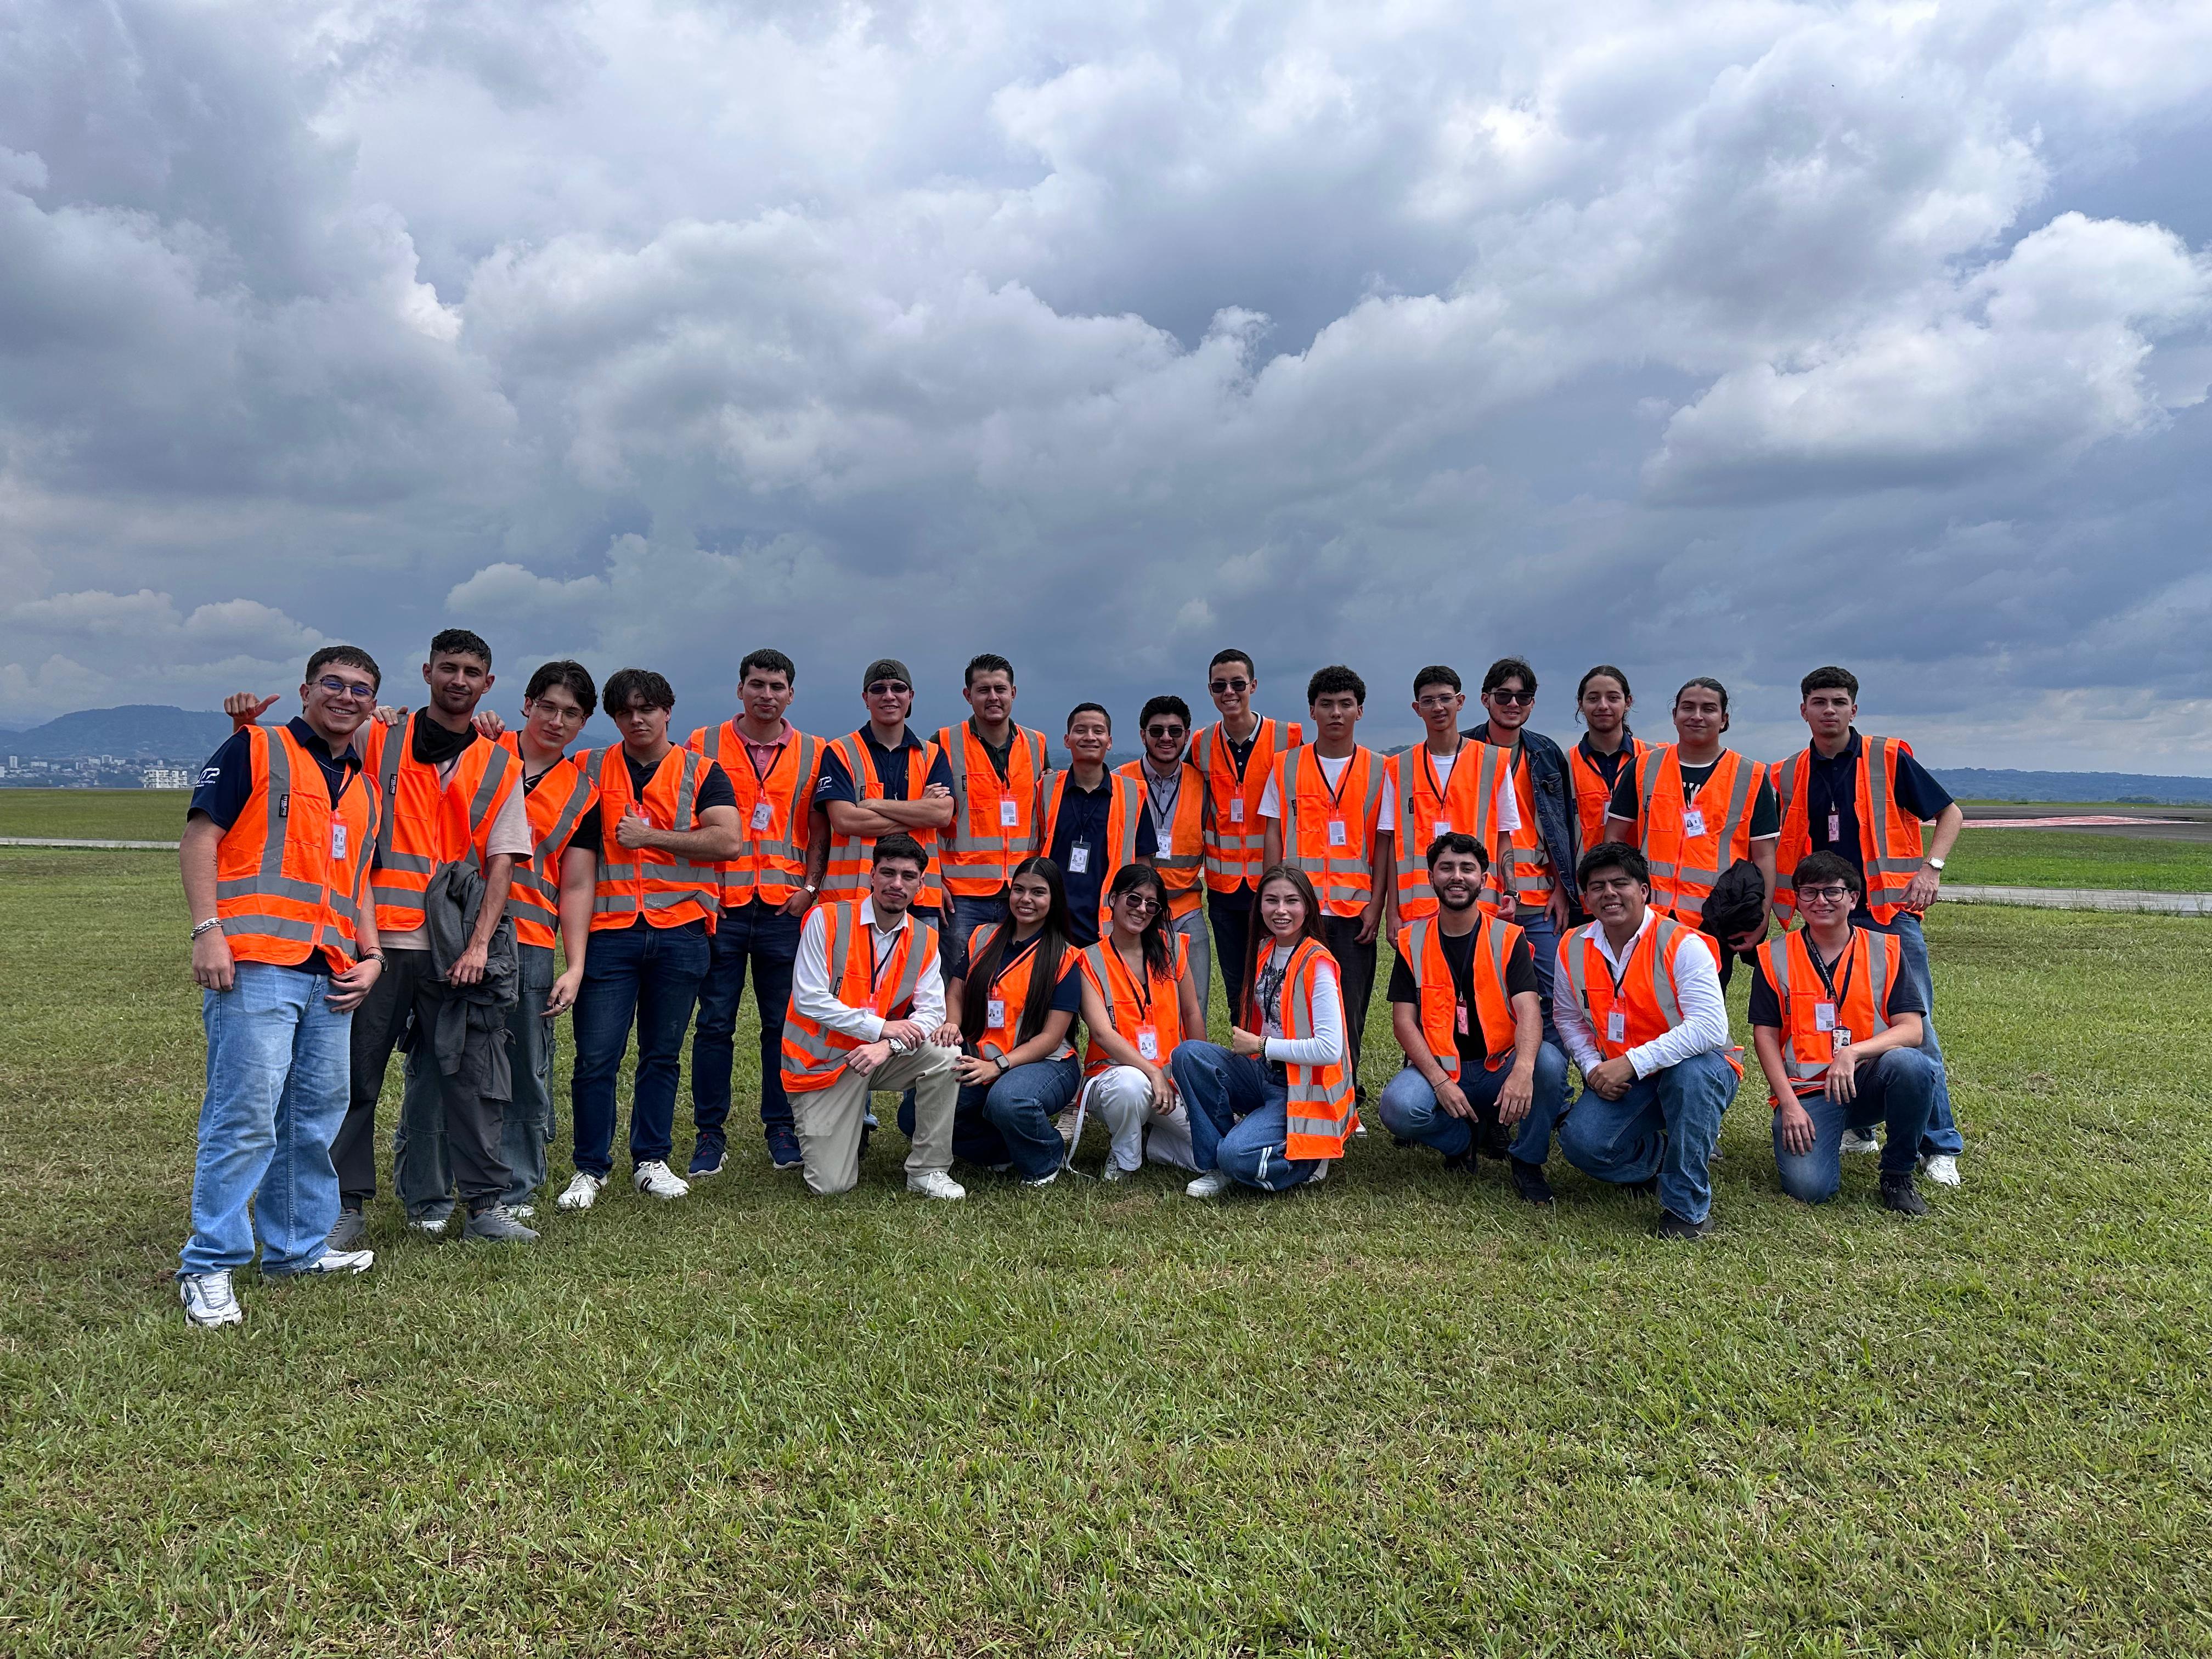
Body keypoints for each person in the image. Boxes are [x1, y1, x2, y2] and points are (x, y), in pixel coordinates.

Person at [176, 647, 386, 1326]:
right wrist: (208, 930)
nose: (346, 697)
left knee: (313, 1119)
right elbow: (200, 840)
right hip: (257, 964)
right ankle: (209, 1264)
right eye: (334, 683)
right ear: (306, 690)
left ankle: (296, 1246)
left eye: (360, 689)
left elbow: (357, 885)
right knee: (245, 1118)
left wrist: (373, 954)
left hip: (331, 971)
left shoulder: (363, 785)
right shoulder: (255, 749)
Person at [332, 629, 532, 1246]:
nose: (460, 680)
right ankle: (346, 1207)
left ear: (488, 684)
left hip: (455, 954)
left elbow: (502, 862)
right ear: (426, 672)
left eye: (473, 671)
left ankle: (484, 1209)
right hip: (378, 946)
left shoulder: (502, 761)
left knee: (471, 1080)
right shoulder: (378, 736)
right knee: (354, 1080)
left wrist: (478, 946)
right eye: (449, 668)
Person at [1773, 666, 1968, 1186]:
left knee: (1912, 1030)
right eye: (1819, 702)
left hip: (1886, 916)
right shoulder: (1790, 772)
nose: (1829, 710)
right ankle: (1858, 1126)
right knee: (1832, 1018)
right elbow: (1772, 839)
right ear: (1804, 710)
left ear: (1854, 710)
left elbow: (1950, 813)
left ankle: (1938, 1144)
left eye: (1839, 701)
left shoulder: (1887, 758)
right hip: (1823, 914)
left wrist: (1932, 868)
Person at [558, 669, 741, 1210]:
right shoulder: (588, 767)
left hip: (681, 932)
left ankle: (651, 1160)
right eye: (624, 712)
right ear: (612, 718)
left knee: (662, 1055)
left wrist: (649, 838)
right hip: (609, 935)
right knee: (595, 1057)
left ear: (668, 711)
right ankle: (589, 1168)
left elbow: (728, 840)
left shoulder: (702, 772)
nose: (636, 720)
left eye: (647, 709)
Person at [685, 648, 828, 1176]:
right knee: (715, 1023)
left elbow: (821, 829)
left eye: (777, 686)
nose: (766, 695)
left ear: (791, 694)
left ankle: (781, 1129)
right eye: (757, 684)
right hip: (721, 904)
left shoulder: (816, 752)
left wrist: (810, 888)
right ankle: (709, 1135)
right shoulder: (703, 743)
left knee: (781, 1024)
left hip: (784, 908)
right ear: (740, 689)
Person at [1554, 844, 1742, 1240]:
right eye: (1597, 886)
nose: (1609, 893)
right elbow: (1568, 1018)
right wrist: (1591, 1068)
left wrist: (1631, 1063)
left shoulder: (1684, 943)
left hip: (1699, 1068)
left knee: (1691, 1075)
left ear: (1644, 891)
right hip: (1627, 1077)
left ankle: (1687, 1208)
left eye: (1621, 883)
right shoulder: (1572, 945)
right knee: (1581, 1143)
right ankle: (1667, 1159)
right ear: (1585, 898)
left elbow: (1709, 1027)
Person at [471, 661, 600, 1217]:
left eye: (571, 713)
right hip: (460, 930)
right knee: (444, 1060)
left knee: (527, 1064)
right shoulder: (481, 749)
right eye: (547, 706)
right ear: (527, 704)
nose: (556, 720)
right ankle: (440, 1182)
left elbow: (575, 884)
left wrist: (574, 965)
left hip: (528, 939)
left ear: (585, 721)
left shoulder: (583, 792)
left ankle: (517, 1184)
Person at [1375, 834, 1568, 1205]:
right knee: (1398, 1107)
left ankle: (1527, 1160)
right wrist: (1439, 1081)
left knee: (1549, 1062)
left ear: (1484, 878)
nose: (1456, 877)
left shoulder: (1508, 937)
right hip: (1445, 1070)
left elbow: (1529, 1009)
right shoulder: (1412, 940)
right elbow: (1403, 1022)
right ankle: (1461, 1141)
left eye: (1467, 869)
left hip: (1500, 1067)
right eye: (1446, 868)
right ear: (1431, 877)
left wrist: (1523, 1070)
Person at [1750, 852, 1939, 1216]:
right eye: (1809, 893)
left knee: (1912, 1065)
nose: (1821, 901)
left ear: (1853, 899)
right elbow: (1765, 1035)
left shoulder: (1885, 949)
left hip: (1866, 1080)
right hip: (1808, 1094)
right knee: (1810, 1189)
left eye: (1833, 892)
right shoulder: (1774, 955)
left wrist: (1852, 1054)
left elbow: (1913, 1030)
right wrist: (1788, 1105)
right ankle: (1826, 1131)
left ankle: (1897, 1174)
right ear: (1798, 900)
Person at [780, 834, 967, 1199]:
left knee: (948, 1058)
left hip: (877, 1056)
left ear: (920, 884)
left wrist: (889, 1045)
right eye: (888, 872)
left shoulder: (925, 939)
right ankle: (833, 1124)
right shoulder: (826, 919)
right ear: (872, 875)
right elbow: (808, 999)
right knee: (831, 1186)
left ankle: (928, 1170)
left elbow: (933, 1012)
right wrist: (880, 1028)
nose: (897, 884)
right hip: (820, 1066)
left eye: (908, 876)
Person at [1169, 865, 1355, 1197]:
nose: (1280, 910)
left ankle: (1310, 1157)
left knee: (1237, 1157)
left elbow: (1330, 1049)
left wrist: (1262, 1044)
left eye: (1291, 901)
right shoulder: (1266, 948)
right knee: (1188, 1055)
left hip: (1301, 1087)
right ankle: (1217, 1163)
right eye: (1271, 901)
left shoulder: (1319, 963)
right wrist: (1262, 1051)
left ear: (1308, 907)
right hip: (1264, 1073)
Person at [1260, 665, 1386, 1088]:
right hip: (1299, 909)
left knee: (1350, 1004)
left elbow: (1383, 844)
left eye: (1345, 705)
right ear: (1312, 711)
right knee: (1293, 1000)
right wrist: (1274, 901)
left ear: (1360, 711)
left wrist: (1377, 904)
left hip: (1353, 908)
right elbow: (1274, 833)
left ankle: (1346, 1092)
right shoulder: (1285, 766)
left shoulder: (1379, 769)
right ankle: (1293, 1085)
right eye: (1327, 705)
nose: (1336, 713)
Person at [1604, 676, 1779, 975]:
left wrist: (1761, 919)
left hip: (1715, 920)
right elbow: (1614, 840)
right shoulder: (1644, 766)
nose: (1697, 716)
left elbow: (1764, 856)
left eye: (1708, 709)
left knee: (1704, 1016)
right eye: (1688, 707)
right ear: (1675, 716)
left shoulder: (1751, 775)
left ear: (1724, 720)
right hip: (1647, 918)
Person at [937, 857, 1086, 1186]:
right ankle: (1005, 1150)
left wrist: (999, 1067)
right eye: (1019, 890)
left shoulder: (1065, 956)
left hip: (1046, 1062)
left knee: (1007, 1101)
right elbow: (957, 990)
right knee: (916, 1115)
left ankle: (1046, 1158)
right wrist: (952, 1023)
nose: (1026, 900)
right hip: (982, 1057)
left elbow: (1050, 1037)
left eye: (1038, 892)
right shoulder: (983, 936)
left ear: (1054, 899)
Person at [1465, 657, 1580, 1042]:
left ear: (1532, 703)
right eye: (1504, 695)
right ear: (1485, 699)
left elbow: (1564, 827)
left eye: (1523, 697)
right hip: (1481, 898)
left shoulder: (1547, 754)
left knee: (1551, 997)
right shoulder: (1465, 750)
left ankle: (1549, 1093)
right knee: (1479, 993)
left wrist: (1563, 890)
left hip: (1540, 900)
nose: (1513, 704)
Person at [1189, 650, 1304, 1019]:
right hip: (1224, 891)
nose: (1230, 692)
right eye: (1220, 686)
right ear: (1210, 690)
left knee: (1280, 978)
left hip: (1274, 886)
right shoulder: (1201, 744)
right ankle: (1245, 1055)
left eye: (1238, 684)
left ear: (1253, 686)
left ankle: (1280, 1057)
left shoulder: (1289, 738)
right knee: (1237, 983)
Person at [1075, 864, 1207, 1179]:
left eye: (1152, 904)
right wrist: (1151, 1072)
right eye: (1134, 899)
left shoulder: (1171, 948)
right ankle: (1125, 1158)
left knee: (1211, 1153)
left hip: (1170, 1080)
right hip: (1113, 1076)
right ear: (1113, 899)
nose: (1142, 909)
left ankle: (1157, 1146)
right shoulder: (1088, 959)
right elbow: (1102, 1034)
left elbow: (1192, 1013)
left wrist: (1200, 1076)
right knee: (1132, 1087)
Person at [816, 658, 957, 922]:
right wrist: (918, 811)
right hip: (854, 898)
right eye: (878, 689)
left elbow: (940, 816)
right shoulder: (840, 751)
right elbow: (845, 820)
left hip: (920, 897)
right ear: (865, 698)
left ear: (911, 696)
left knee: (917, 964)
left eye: (898, 688)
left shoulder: (933, 755)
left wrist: (872, 804)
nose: (889, 696)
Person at [1382, 665, 1520, 927]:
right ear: (1416, 708)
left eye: (1445, 698)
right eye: (1428, 701)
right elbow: (1391, 847)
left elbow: (1504, 836)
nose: (1438, 707)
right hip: (1418, 911)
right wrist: (1391, 912)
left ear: (1460, 702)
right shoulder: (1398, 768)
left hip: (1478, 905)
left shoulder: (1493, 762)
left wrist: (1511, 891)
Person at [934, 653, 1051, 950]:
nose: (993, 697)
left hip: (1023, 891)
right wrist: (932, 879)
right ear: (968, 695)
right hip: (962, 894)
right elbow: (925, 819)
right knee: (961, 979)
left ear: (1013, 692)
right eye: (983, 690)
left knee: (1016, 980)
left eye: (1000, 689)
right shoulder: (943, 743)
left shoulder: (1037, 745)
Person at [1039, 702, 1155, 946]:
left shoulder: (1133, 794)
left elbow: (1144, 866)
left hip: (1109, 929)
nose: (1090, 737)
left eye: (1098, 731)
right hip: (1050, 927)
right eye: (1081, 730)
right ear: (1067, 740)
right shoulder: (1044, 790)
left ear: (1109, 741)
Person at [1123, 695, 1211, 1006]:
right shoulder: (1121, 780)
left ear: (1187, 735)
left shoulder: (1203, 784)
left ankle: (1190, 1055)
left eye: (1175, 731)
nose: (1166, 738)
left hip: (1186, 910)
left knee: (1194, 1002)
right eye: (1157, 730)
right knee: (1135, 1002)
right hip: (1133, 909)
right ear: (1142, 734)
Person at [1566, 665, 1648, 900]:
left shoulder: (1653, 761)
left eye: (1613, 698)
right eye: (1593, 698)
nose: (1603, 706)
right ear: (1580, 703)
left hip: (1642, 891)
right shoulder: (1563, 765)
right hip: (1583, 893)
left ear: (1628, 701)